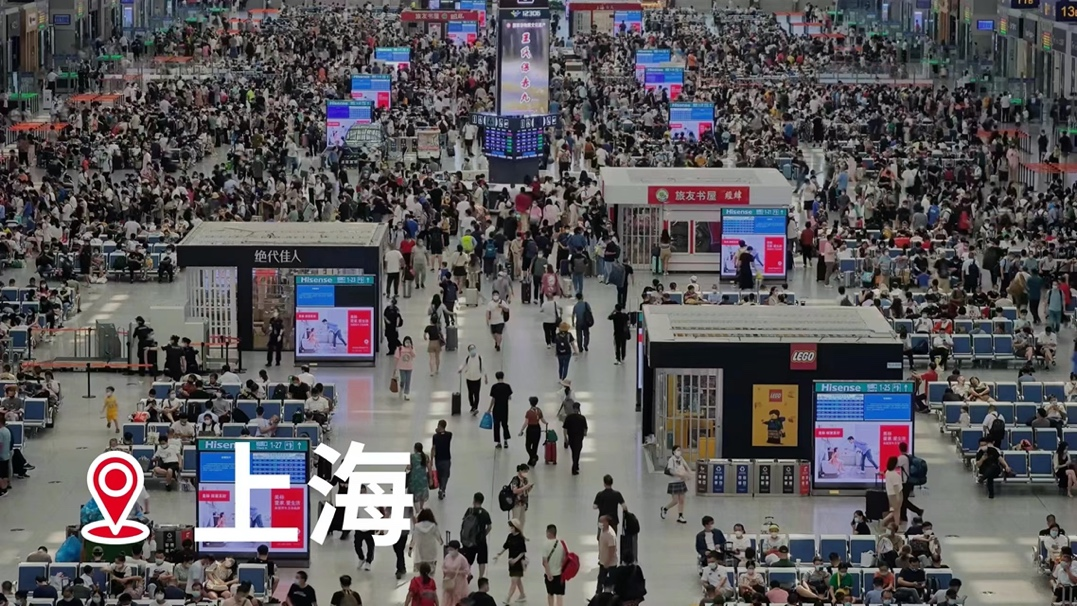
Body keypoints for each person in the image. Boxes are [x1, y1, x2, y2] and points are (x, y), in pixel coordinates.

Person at [494, 518, 528, 604]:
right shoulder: (510, 536)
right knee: (517, 580)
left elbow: (523, 552)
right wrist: (499, 554)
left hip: (518, 563)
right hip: (511, 562)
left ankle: (508, 598)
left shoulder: (520, 538)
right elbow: (506, 546)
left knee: (514, 581)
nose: (510, 529)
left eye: (512, 527)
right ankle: (522, 595)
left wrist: (516, 560)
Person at [661, 445, 691, 524]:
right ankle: (665, 509)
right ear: (674, 452)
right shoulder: (671, 460)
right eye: (677, 450)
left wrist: (689, 474)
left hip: (681, 482)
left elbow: (686, 466)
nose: (679, 451)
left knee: (682, 500)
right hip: (674, 482)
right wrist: (680, 475)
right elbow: (671, 471)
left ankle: (680, 516)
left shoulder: (681, 459)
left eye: (680, 450)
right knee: (675, 500)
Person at [542, 524, 568, 606]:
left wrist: (548, 574)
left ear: (548, 533)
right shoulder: (561, 543)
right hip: (560, 574)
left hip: (550, 574)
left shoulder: (545, 544)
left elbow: (545, 561)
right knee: (559, 594)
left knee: (550, 594)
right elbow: (564, 558)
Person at [459, 345, 487, 415]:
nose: (472, 350)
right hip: (469, 378)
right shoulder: (467, 358)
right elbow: (463, 364)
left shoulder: (480, 358)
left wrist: (485, 377)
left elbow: (483, 368)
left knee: (476, 393)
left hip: (477, 378)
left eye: (473, 348)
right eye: (471, 349)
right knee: (470, 393)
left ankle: (475, 407)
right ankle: (472, 405)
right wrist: (460, 369)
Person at [487, 371, 513, 448]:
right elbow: (509, 397)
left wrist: (489, 409)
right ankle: (506, 441)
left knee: (496, 426)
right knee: (505, 425)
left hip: (496, 409)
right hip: (504, 408)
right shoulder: (507, 386)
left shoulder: (494, 387)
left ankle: (498, 442)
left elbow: (493, 399)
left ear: (496, 377)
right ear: (503, 377)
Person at [519, 396, 546, 467]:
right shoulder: (539, 410)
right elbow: (542, 420)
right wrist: (546, 423)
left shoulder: (528, 412)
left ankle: (534, 456)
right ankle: (531, 460)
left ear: (530, 403)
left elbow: (526, 423)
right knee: (535, 445)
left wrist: (521, 431)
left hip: (530, 429)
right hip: (537, 428)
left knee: (528, 445)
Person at [562, 401, 588, 475]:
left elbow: (565, 429)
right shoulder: (582, 418)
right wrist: (584, 434)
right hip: (579, 438)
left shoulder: (569, 417)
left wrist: (565, 438)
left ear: (573, 408)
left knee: (574, 452)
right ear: (579, 409)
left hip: (571, 437)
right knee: (577, 452)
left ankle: (576, 465)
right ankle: (574, 467)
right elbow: (585, 428)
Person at [441, 541, 470, 606]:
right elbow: (443, 567)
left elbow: (467, 571)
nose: (450, 551)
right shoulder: (447, 557)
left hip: (459, 582)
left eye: (451, 549)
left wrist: (457, 572)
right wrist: (446, 572)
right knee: (447, 597)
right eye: (449, 549)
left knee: (457, 597)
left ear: (456, 549)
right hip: (449, 580)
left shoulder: (462, 558)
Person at [880, 457, 904, 530]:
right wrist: (898, 497)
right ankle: (894, 524)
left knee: (895, 510)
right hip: (895, 494)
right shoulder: (894, 475)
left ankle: (895, 525)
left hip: (890, 494)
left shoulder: (888, 472)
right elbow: (896, 486)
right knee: (896, 511)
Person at [431, 420, 452, 500]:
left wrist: (431, 459)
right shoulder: (449, 435)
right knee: (445, 475)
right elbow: (445, 433)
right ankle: (442, 489)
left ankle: (441, 488)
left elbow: (433, 448)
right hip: (447, 458)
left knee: (439, 475)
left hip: (438, 459)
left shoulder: (435, 437)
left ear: (439, 426)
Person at [406, 443, 431, 511]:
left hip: (414, 479)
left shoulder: (412, 456)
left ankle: (417, 511)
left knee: (414, 495)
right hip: (423, 478)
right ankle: (421, 507)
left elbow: (409, 467)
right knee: (422, 494)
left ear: (415, 449)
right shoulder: (426, 457)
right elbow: (429, 468)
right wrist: (431, 478)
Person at [394, 336, 416, 400]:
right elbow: (396, 358)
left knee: (408, 381)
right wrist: (395, 367)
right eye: (406, 342)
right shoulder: (400, 348)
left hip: (409, 367)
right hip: (402, 367)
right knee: (403, 379)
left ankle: (406, 394)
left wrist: (410, 349)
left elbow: (414, 355)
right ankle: (401, 386)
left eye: (409, 342)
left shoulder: (412, 348)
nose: (407, 343)